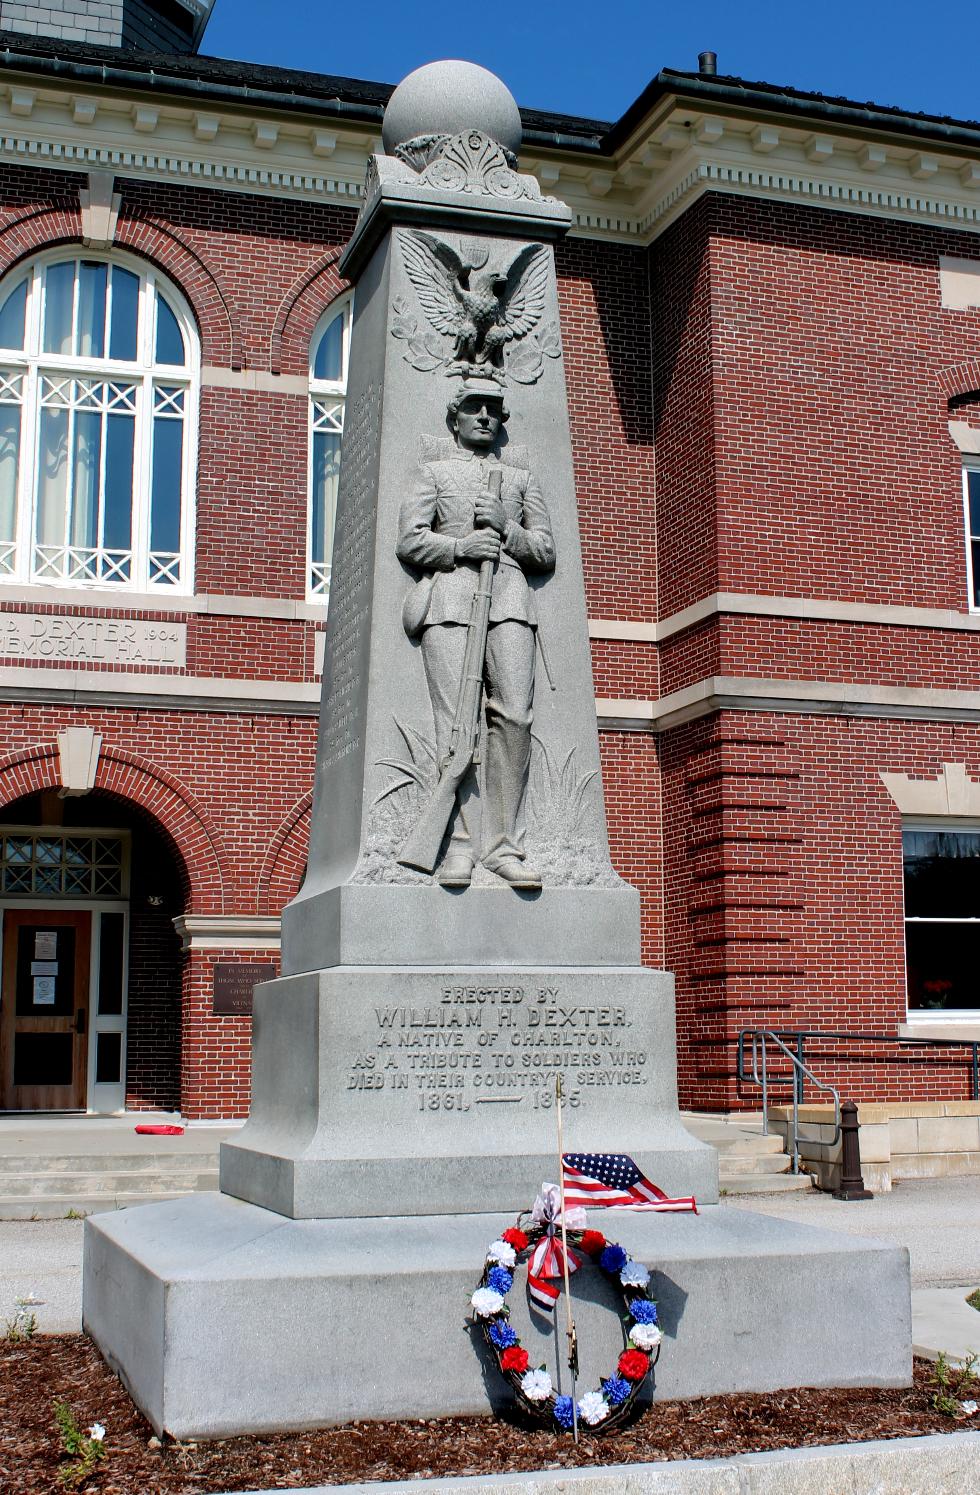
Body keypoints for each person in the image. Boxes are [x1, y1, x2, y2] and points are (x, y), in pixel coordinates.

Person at [396, 379, 555, 887]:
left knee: (514, 715)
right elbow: (411, 541)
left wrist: (508, 527)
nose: (484, 417)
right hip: (448, 605)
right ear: (456, 418)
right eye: (473, 409)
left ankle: (502, 845)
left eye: (492, 410)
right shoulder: (434, 474)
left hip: (508, 600)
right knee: (457, 724)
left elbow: (544, 551)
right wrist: (462, 547)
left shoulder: (521, 479)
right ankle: (460, 843)